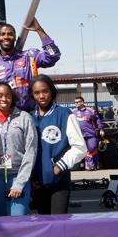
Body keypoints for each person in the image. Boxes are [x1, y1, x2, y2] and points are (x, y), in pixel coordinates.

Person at [29, 75, 87, 215]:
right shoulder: (29, 117)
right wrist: (30, 177)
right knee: (44, 224)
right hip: (37, 182)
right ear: (32, 95)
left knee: (59, 224)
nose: (41, 96)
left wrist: (58, 167)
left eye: (45, 91)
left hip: (59, 180)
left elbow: (80, 147)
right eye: (37, 93)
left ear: (52, 92)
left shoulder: (65, 114)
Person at [0, 19, 61, 112]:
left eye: (10, 34)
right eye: (2, 34)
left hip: (31, 115)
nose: (6, 37)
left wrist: (39, 30)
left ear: (15, 38)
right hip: (4, 120)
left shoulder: (29, 56)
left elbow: (53, 55)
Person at [0, 82, 37, 217]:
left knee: (18, 219)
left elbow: (31, 151)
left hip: (17, 174)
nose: (4, 99)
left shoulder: (24, 117)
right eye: (0, 95)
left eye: (8, 96)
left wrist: (20, 183)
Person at [73, 96, 104, 171]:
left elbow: (98, 120)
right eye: (75, 102)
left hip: (91, 134)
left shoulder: (91, 111)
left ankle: (94, 163)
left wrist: (101, 129)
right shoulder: (73, 112)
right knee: (85, 150)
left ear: (82, 102)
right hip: (79, 135)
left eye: (77, 102)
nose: (76, 103)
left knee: (92, 148)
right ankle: (91, 165)